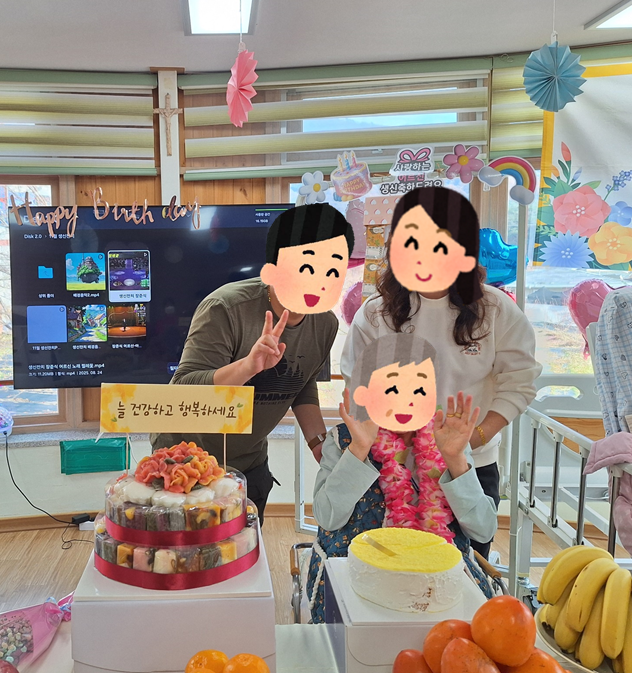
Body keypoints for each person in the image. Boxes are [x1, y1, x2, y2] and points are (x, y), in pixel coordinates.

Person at [340, 186, 540, 560]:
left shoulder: (496, 310)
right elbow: (358, 386)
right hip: (392, 469)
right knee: (386, 569)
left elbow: (520, 382)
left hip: (467, 466)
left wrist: (474, 438)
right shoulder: (375, 314)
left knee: (465, 570)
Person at [153, 203, 354, 525]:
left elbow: (303, 385)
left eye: (332, 270)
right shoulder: (226, 307)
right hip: (185, 465)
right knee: (186, 551)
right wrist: (249, 365)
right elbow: (183, 389)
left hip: (250, 463)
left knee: (244, 549)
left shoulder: (325, 323)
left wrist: (319, 444)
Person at [306, 333, 498, 622]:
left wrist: (456, 460)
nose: (407, 401)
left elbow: (484, 530)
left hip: (439, 585)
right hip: (359, 578)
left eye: (419, 389)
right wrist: (358, 450)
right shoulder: (344, 439)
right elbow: (327, 518)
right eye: (392, 388)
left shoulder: (448, 438)